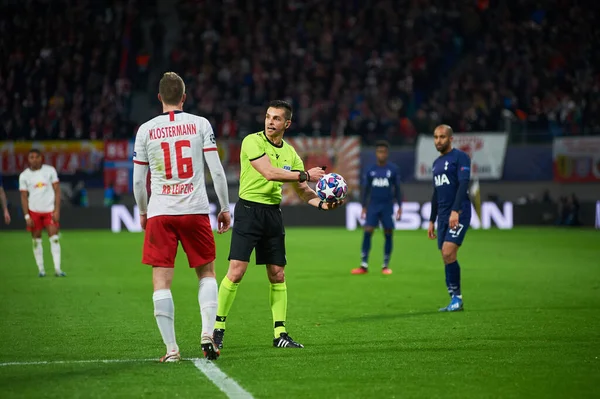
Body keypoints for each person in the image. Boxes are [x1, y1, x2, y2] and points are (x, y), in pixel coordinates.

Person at [213, 100, 343, 350]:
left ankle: (280, 333)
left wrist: (323, 205)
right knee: (237, 271)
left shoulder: (290, 153)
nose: (270, 122)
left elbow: (303, 191)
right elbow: (269, 173)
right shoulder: (252, 141)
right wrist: (305, 174)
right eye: (268, 117)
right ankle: (217, 327)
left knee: (277, 274)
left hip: (272, 215)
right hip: (249, 211)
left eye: (276, 118)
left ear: (287, 123)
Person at [132, 72, 231, 363]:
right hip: (195, 208)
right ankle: (206, 334)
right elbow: (217, 171)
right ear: (184, 98)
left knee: (161, 281)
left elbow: (139, 182)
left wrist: (142, 211)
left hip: (161, 212)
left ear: (159, 97)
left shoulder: (146, 130)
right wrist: (225, 207)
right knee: (207, 273)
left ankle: (172, 349)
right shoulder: (201, 124)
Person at [427, 125, 471, 312]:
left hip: (459, 212)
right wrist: (431, 219)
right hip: (443, 215)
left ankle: (457, 298)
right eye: (436, 137)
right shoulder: (436, 163)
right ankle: (453, 298)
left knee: (448, 252)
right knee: (446, 257)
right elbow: (436, 193)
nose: (438, 140)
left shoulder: (460, 157)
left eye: (442, 137)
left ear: (451, 139)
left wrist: (455, 210)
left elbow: (463, 184)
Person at [351, 140, 402, 275]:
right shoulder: (370, 170)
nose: (382, 154)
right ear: (376, 153)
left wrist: (400, 206)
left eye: (384, 152)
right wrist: (363, 206)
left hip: (387, 206)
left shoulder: (393, 169)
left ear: (387, 153)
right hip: (373, 206)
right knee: (367, 231)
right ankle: (364, 265)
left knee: (388, 233)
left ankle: (385, 265)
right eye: (379, 151)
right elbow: (366, 189)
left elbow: (397, 189)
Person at [19, 149, 64, 277]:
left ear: (41, 158)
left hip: (49, 210)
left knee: (54, 238)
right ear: (28, 159)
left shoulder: (50, 171)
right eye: (31, 157)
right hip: (34, 211)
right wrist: (27, 215)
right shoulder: (24, 176)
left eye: (36, 157)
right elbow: (23, 196)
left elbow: (57, 191)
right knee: (36, 240)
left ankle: (57, 269)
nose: (34, 159)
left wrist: (57, 210)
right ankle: (41, 269)